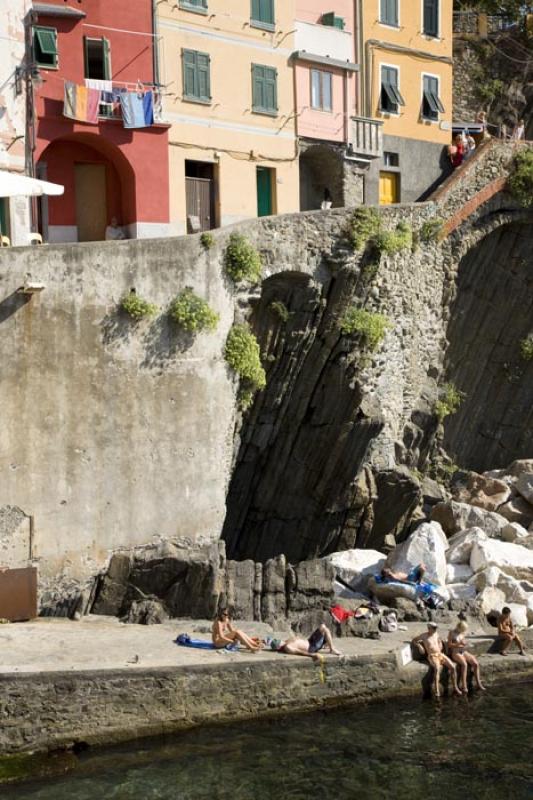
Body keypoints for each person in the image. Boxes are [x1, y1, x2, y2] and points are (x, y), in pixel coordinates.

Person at [412, 622, 462, 697]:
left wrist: (440, 643)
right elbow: (414, 640)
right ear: (429, 628)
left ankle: (455, 687)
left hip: (440, 654)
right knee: (437, 669)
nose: (435, 630)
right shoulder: (424, 636)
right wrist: (420, 646)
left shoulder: (436, 633)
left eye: (436, 628)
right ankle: (437, 691)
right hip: (432, 656)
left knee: (453, 667)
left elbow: (439, 639)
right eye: (434, 628)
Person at [447, 620, 486, 692]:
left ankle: (478, 683)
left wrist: (465, 643)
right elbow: (449, 645)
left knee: (476, 664)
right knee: (464, 664)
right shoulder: (451, 633)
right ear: (459, 627)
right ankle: (464, 686)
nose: (463, 631)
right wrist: (458, 644)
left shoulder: (462, 633)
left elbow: (463, 642)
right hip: (455, 652)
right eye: (462, 629)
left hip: (463, 651)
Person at [270, 623, 343, 660]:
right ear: (279, 647)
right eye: (279, 642)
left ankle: (325, 644)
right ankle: (332, 649)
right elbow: (299, 652)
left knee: (322, 625)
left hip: (310, 641)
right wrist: (312, 655)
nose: (280, 641)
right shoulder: (288, 647)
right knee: (325, 630)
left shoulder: (286, 642)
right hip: (312, 647)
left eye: (279, 640)